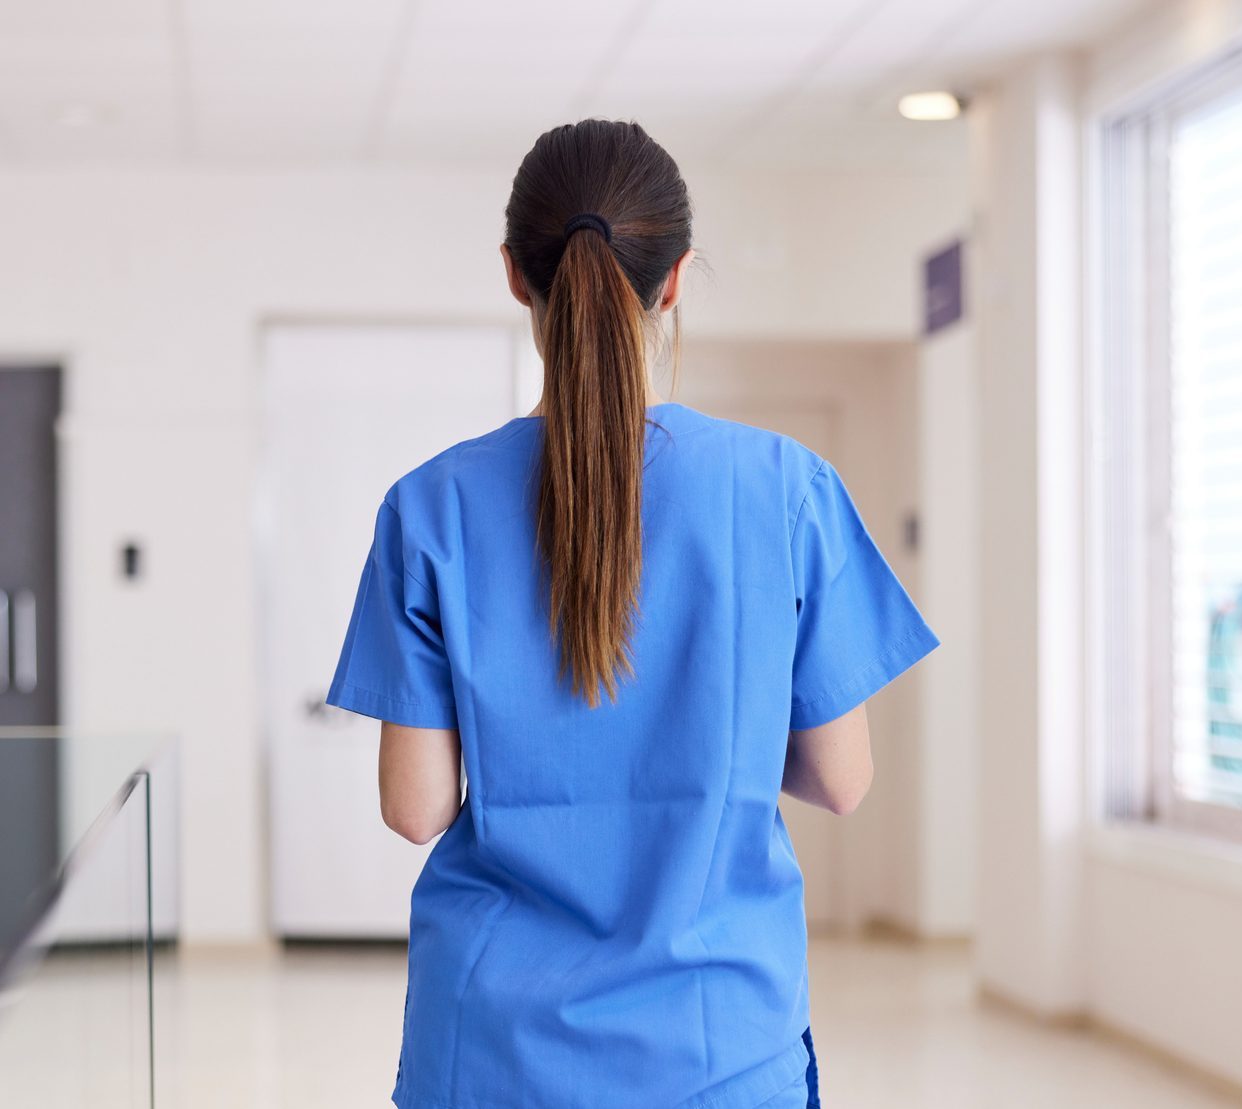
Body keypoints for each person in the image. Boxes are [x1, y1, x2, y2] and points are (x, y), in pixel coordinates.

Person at [324, 118, 938, 1109]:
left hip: (491, 1048)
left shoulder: (429, 506)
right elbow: (839, 775)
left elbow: (416, 806)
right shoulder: (785, 488)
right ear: (678, 276)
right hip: (721, 1045)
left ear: (516, 277)